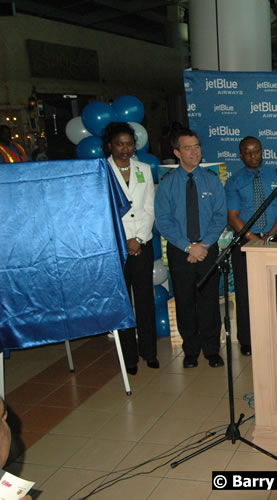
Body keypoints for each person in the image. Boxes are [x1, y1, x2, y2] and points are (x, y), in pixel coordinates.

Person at [155, 128, 227, 369]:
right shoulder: (166, 184)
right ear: (177, 152)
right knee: (185, 301)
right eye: (188, 148)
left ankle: (212, 350)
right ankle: (191, 351)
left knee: (209, 301)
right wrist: (189, 247)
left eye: (197, 146)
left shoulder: (211, 180)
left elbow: (219, 216)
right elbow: (163, 221)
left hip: (207, 250)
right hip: (180, 251)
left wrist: (203, 245)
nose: (194, 152)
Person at [103, 122, 159, 375]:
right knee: (123, 301)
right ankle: (129, 357)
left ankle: (149, 351)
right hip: (116, 246)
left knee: (145, 298)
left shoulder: (144, 169)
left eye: (129, 143)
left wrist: (138, 239)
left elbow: (149, 207)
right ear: (110, 145)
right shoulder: (101, 171)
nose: (125, 148)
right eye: (119, 144)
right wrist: (125, 240)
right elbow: (102, 211)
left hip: (142, 243)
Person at [225, 136, 277, 356]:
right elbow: (233, 216)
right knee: (245, 293)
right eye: (247, 152)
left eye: (256, 151)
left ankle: (275, 335)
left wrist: (269, 237)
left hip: (274, 240)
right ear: (241, 155)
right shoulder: (233, 181)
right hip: (244, 242)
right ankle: (247, 340)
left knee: (275, 291)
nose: (253, 156)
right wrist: (253, 238)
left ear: (263, 151)